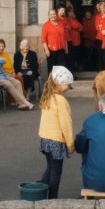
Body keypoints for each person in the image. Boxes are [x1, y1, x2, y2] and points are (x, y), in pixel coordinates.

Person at [37, 66, 75, 199]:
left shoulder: (47, 97)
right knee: (56, 171)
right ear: (60, 84)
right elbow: (66, 124)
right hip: (56, 141)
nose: (68, 89)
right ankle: (52, 198)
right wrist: (70, 143)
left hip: (45, 139)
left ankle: (39, 190)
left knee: (50, 167)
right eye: (68, 85)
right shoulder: (61, 101)